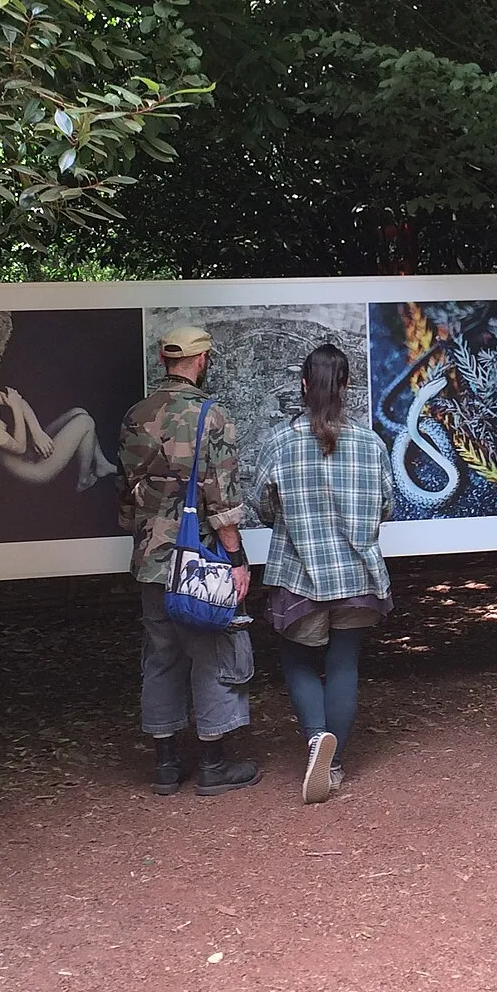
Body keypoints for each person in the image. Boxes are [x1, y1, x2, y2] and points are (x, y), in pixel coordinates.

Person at [118, 325, 262, 797]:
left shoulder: (136, 415)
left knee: (160, 656)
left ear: (165, 360)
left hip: (151, 559)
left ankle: (164, 767)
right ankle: (214, 766)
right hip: (200, 559)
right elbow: (222, 500)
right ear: (201, 360)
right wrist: (238, 559)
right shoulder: (211, 416)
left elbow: (128, 494)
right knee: (212, 650)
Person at [256, 343, 394, 805]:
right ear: (347, 386)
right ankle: (332, 766)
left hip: (298, 572)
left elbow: (262, 506)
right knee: (344, 663)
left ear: (303, 384)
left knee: (296, 659)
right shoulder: (371, 443)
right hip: (357, 573)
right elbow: (386, 507)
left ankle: (318, 738)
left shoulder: (280, 441)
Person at [0, 361, 116, 489]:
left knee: (78, 411)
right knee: (85, 422)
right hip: (34, 470)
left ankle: (101, 464)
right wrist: (14, 408)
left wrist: (37, 432)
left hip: (30, 454)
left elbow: (20, 402)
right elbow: (19, 448)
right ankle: (83, 480)